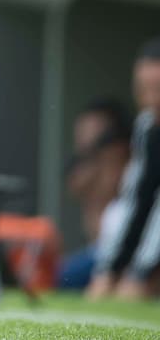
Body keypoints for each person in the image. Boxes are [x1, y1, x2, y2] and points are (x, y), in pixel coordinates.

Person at [88, 38, 160, 300]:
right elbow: (139, 201)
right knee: (105, 289)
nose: (150, 99)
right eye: (143, 89)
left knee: (134, 291)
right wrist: (111, 269)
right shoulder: (146, 127)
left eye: (157, 89)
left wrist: (142, 272)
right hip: (145, 248)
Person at [60, 98, 130, 289]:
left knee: (61, 277)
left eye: (92, 129)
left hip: (114, 252)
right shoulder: (82, 164)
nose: (83, 137)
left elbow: (111, 186)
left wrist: (103, 161)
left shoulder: (120, 159)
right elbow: (75, 185)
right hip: (96, 250)